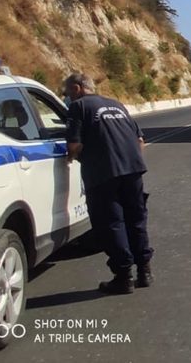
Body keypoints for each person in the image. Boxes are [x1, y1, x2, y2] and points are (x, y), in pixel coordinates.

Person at [63, 73, 154, 295]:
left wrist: (70, 158)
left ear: (76, 88)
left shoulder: (78, 107)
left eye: (66, 92)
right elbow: (139, 141)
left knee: (112, 223)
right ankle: (145, 271)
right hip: (133, 169)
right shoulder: (116, 105)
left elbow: (74, 145)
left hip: (103, 173)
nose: (66, 97)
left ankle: (123, 277)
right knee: (136, 219)